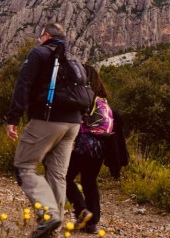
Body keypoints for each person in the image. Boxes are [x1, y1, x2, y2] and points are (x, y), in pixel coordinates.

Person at [6, 23, 85, 238]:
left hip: (48, 119)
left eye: (40, 36)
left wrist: (13, 118)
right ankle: (54, 230)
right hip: (73, 124)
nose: (39, 40)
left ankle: (49, 215)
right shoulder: (73, 58)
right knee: (58, 175)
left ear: (46, 36)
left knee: (24, 166)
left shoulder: (39, 52)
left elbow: (23, 85)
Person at [65, 65, 110, 233]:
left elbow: (78, 120)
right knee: (89, 181)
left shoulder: (86, 97)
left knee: (65, 177)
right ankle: (93, 222)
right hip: (101, 146)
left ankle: (82, 210)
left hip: (85, 144)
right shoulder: (103, 100)